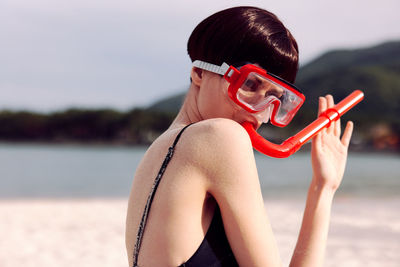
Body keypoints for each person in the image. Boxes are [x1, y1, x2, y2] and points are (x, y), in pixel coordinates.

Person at [125, 6, 354, 267]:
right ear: (199, 72)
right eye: (250, 84)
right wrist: (322, 193)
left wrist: (323, 186)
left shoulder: (160, 149)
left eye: (276, 98)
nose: (258, 112)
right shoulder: (220, 135)